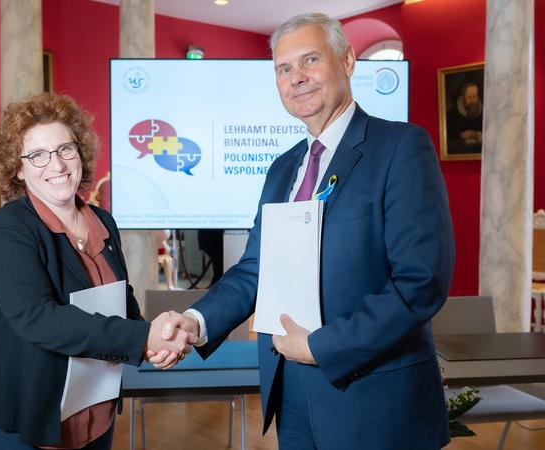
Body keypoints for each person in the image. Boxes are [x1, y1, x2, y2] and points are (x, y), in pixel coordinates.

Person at [153, 13, 455, 449]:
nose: (298, 78)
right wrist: (195, 321)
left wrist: (321, 347)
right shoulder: (282, 169)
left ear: (348, 60)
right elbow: (256, 269)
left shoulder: (400, 148)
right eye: (284, 68)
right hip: (291, 395)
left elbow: (421, 283)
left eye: (310, 59)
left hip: (374, 401)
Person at [0, 93, 193, 449]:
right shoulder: (7, 229)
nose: (56, 165)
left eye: (65, 150)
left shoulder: (102, 221)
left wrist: (153, 340)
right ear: (18, 168)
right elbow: (38, 319)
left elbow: (123, 301)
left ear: (80, 154)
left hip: (95, 410)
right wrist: (142, 338)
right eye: (37, 155)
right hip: (26, 418)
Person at [446, 81, 483, 154]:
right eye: (469, 97)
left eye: (474, 96)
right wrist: (461, 135)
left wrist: (478, 135)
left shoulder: (485, 113)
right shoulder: (452, 115)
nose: (472, 100)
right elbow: (449, 138)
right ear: (463, 98)